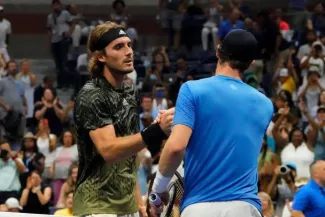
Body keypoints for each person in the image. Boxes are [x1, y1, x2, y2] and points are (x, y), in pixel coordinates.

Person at [149, 29, 274, 217]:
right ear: (251, 63)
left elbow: (176, 147)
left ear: (218, 51)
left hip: (200, 207)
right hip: (246, 208)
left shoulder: (192, 90)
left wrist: (157, 191)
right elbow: (231, 124)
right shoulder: (265, 104)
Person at [73, 21, 174, 217]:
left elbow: (129, 154)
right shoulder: (92, 95)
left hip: (128, 207)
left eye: (129, 44)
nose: (129, 52)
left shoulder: (129, 92)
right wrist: (156, 130)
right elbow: (109, 150)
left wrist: (138, 204)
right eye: (119, 47)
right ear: (101, 56)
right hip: (97, 206)